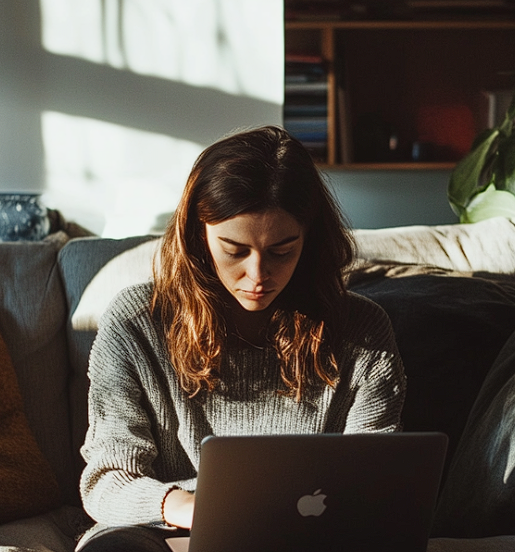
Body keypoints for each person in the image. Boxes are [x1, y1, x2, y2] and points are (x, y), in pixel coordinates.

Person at [76, 126, 406, 552]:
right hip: (162, 530)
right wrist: (196, 509)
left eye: (282, 250)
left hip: (309, 535)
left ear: (310, 240)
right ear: (198, 236)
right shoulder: (138, 323)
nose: (257, 275)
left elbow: (377, 484)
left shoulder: (363, 333)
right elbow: (106, 482)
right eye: (234, 249)